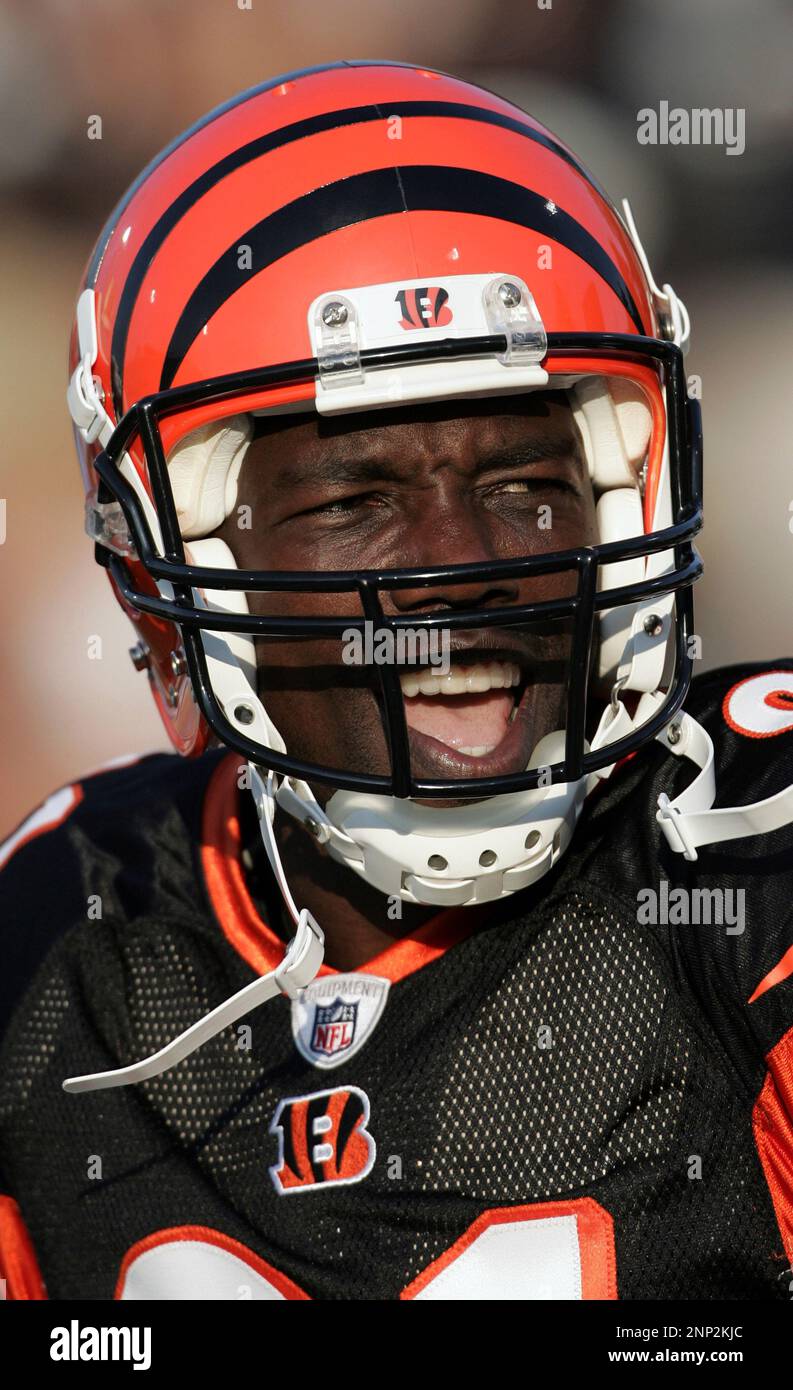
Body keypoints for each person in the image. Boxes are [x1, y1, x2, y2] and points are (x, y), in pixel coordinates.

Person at [1, 60, 792, 1301]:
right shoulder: (70, 938)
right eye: (354, 503)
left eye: (525, 488)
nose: (459, 569)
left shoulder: (753, 864)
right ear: (175, 556)